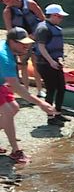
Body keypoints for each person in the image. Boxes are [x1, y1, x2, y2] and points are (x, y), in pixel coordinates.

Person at [0, 27, 56, 163]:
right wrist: (41, 103)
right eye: (23, 44)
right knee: (7, 111)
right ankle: (16, 151)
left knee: (14, 108)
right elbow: (17, 87)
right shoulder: (4, 57)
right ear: (12, 42)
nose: (27, 47)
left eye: (27, 43)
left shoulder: (8, 47)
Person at [0, 0, 45, 96]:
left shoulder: (30, 4)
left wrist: (35, 35)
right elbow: (10, 31)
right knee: (23, 65)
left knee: (36, 64)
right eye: (3, 1)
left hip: (36, 38)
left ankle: (40, 90)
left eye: (7, 0)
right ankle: (26, 91)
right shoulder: (7, 12)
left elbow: (43, 20)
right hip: (21, 41)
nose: (5, 3)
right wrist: (17, 43)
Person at [34, 3, 69, 125]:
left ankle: (58, 113)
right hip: (45, 64)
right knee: (51, 89)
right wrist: (51, 61)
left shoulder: (54, 28)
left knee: (62, 88)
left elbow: (57, 48)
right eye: (60, 16)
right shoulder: (43, 28)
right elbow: (41, 47)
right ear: (53, 15)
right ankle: (50, 117)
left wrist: (59, 59)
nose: (61, 19)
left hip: (55, 62)